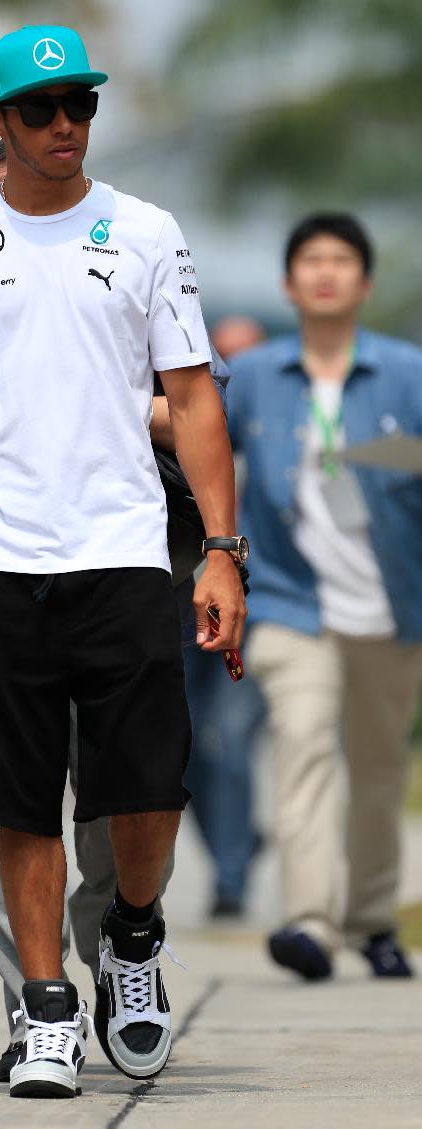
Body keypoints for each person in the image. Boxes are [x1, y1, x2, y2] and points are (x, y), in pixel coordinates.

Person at [0, 25, 245, 1099]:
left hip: (128, 553)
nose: (62, 127)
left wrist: (221, 551)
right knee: (22, 801)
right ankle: (46, 1010)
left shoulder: (145, 232)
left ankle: (131, 937)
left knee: (147, 789)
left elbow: (193, 396)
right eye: (38, 111)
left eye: (78, 105)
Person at [227, 212, 422, 981]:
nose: (326, 272)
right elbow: (202, 451)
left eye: (341, 260)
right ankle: (308, 922)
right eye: (311, 259)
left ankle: (371, 919)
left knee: (375, 771)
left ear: (363, 282)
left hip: (390, 606)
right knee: (301, 744)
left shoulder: (406, 373)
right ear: (288, 282)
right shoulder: (254, 376)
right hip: (288, 602)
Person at [182, 314, 268, 918]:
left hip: (255, 609)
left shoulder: (270, 446)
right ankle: (234, 844)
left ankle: (232, 879)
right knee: (181, 748)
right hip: (174, 606)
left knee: (230, 741)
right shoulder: (179, 429)